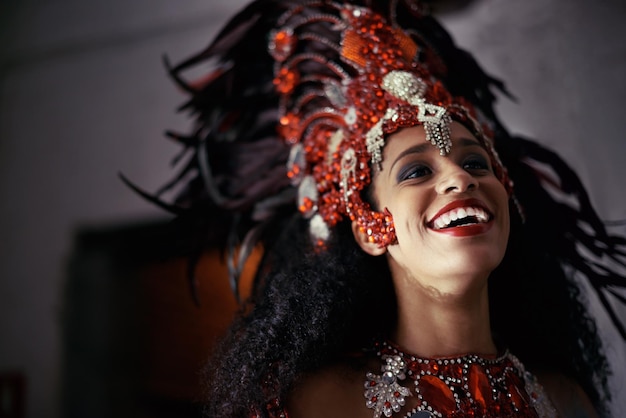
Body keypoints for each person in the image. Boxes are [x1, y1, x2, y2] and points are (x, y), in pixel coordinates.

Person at [132, 0, 626, 416]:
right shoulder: (314, 405)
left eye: (477, 163)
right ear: (371, 229)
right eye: (416, 171)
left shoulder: (567, 401)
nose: (460, 178)